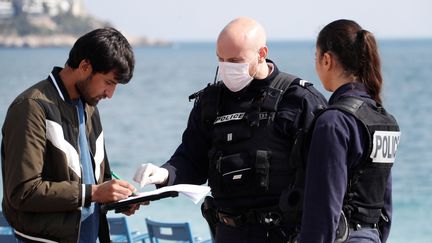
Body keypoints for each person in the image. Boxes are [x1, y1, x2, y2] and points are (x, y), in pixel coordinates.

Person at [133, 17, 327, 242]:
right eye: (221, 59)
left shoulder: (299, 100)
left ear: (262, 53)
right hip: (228, 232)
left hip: (284, 233)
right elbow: (191, 159)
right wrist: (164, 173)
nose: (227, 67)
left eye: (235, 60)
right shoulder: (210, 102)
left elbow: (326, 175)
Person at [1, 27, 138, 243]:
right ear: (85, 66)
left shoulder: (90, 107)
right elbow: (23, 192)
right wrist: (93, 193)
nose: (110, 94)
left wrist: (120, 197)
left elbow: (97, 180)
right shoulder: (30, 107)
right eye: (109, 82)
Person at [299, 19, 401, 243]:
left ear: (327, 60)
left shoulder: (333, 122)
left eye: (316, 58)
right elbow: (384, 206)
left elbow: (323, 208)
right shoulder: (385, 120)